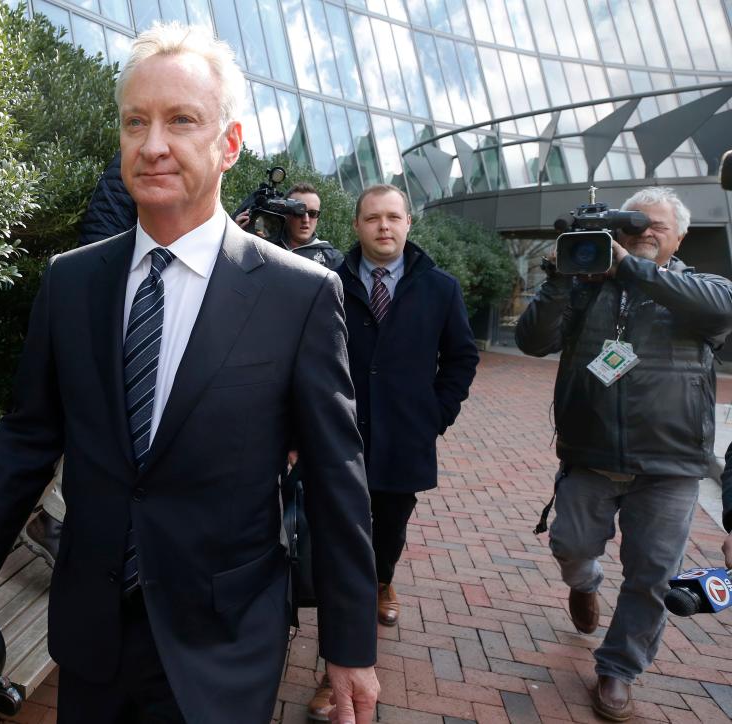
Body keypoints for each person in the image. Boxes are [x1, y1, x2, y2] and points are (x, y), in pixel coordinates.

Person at [0, 22, 380, 724]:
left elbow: (337, 478)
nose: (153, 144)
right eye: (135, 122)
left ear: (228, 144)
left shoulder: (298, 295)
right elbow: (28, 444)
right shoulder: (71, 283)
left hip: (223, 644)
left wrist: (350, 644)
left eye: (182, 120)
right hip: (92, 638)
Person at [515, 187, 732, 722]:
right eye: (632, 226)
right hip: (589, 454)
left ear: (680, 235)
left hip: (671, 465)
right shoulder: (588, 286)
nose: (644, 234)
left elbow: (720, 307)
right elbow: (531, 341)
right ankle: (584, 584)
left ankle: (618, 669)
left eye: (656, 225)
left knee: (651, 576)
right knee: (570, 545)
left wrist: (632, 271)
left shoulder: (702, 288)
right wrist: (563, 276)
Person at [307, 184, 478, 720]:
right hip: (338, 441)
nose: (384, 227)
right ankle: (334, 669)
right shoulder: (327, 284)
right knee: (338, 553)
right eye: (373, 218)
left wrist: (435, 415)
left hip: (404, 441)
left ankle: (384, 578)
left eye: (394, 218)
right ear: (356, 225)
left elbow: (461, 359)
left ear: (408, 224)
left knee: (387, 536)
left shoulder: (440, 288)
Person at [21, 150, 139, 565]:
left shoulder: (132, 167)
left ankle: (57, 520)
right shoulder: (136, 168)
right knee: (105, 415)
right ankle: (52, 520)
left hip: (108, 291)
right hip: (107, 296)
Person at [236, 182, 344, 268]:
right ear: (285, 214)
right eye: (299, 212)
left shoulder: (332, 259)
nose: (306, 219)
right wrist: (236, 238)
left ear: (318, 218)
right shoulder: (263, 243)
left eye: (312, 214)